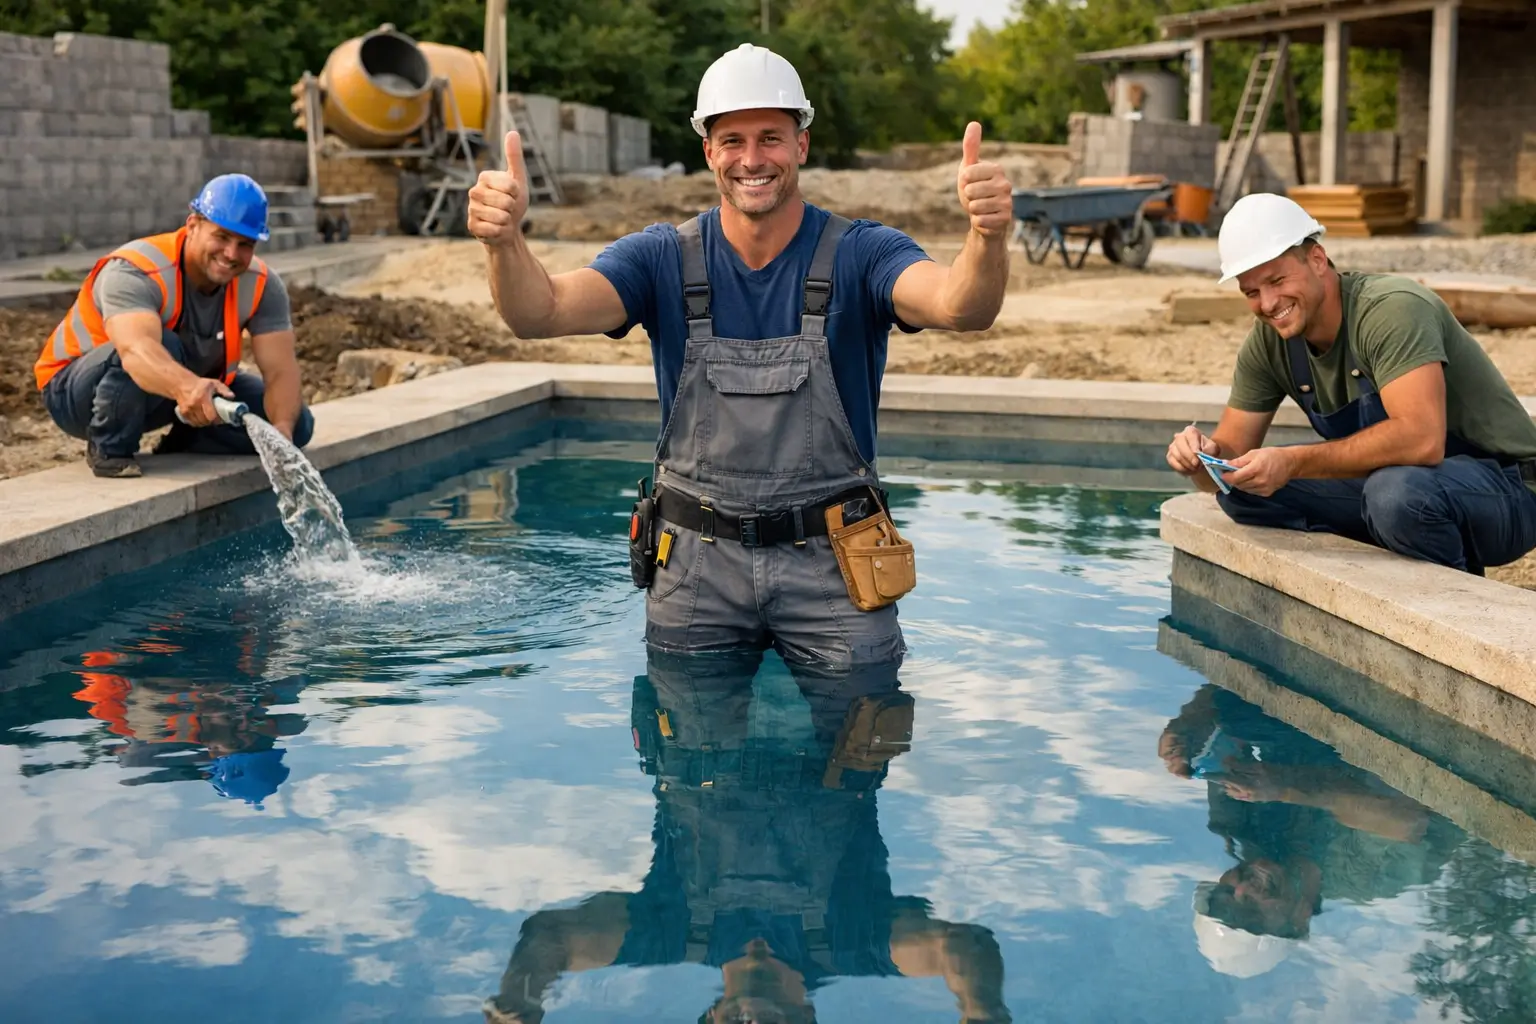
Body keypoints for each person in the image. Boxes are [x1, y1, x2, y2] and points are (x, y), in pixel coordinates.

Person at [466, 43, 1013, 670]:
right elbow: (541, 312)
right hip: (695, 569)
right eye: (732, 141)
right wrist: (504, 244)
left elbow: (960, 306)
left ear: (801, 144)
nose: (752, 159)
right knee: (693, 762)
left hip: (836, 565)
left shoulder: (863, 254)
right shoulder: (660, 258)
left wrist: (986, 237)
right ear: (709, 152)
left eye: (771, 138)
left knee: (856, 749)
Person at [483, 648, 1013, 1023]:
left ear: (711, 1018)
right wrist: (982, 1011)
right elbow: (960, 946)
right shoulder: (852, 943)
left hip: (699, 689)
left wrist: (516, 1008)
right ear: (808, 1019)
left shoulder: (672, 934)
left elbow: (551, 937)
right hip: (828, 697)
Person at [1165, 192, 1536, 575]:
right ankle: (1394, 545)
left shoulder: (1391, 309)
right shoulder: (1269, 342)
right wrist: (1200, 458)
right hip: (1399, 481)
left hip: (1507, 489)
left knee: (1395, 497)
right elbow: (1227, 463)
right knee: (1245, 490)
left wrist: (1292, 462)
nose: (1269, 303)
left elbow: (1421, 440)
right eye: (1252, 292)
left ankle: (1458, 600)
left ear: (1317, 260)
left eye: (1277, 280)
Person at [1158, 683, 1461, 978]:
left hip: (1336, 700)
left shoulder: (1236, 827)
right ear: (1299, 920)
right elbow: (1410, 817)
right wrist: (1288, 787)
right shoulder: (1371, 878)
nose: (1242, 889)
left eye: (1226, 893)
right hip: (1424, 724)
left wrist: (1187, 728)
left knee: (1236, 716)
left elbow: (1221, 699)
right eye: (1250, 911)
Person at [34, 173, 315, 479]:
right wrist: (189, 387)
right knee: (162, 345)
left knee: (297, 424)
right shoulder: (136, 269)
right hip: (76, 393)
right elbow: (135, 351)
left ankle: (187, 439)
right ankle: (109, 448)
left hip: (171, 388)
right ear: (193, 225)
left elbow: (281, 371)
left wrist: (282, 438)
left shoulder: (262, 284)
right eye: (221, 237)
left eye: (244, 244)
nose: (232, 254)